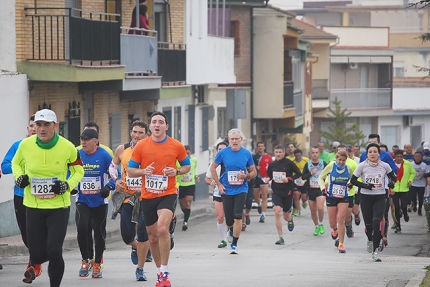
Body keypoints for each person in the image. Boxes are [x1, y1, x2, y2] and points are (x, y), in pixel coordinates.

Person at [12, 109, 84, 286]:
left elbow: (78, 170)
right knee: (36, 254)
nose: (42, 129)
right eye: (38, 125)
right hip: (33, 206)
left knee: (54, 250)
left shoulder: (68, 147)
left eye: (46, 125)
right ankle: (38, 261)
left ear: (56, 126)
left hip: (58, 207)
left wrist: (67, 185)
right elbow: (15, 163)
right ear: (34, 126)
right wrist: (19, 177)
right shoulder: (25, 145)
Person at [128, 111, 190, 286]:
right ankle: (158, 271)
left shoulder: (176, 145)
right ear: (150, 126)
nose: (157, 125)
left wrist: (176, 171)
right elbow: (131, 170)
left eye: (160, 122)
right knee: (152, 237)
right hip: (148, 195)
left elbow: (186, 166)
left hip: (168, 193)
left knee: (162, 229)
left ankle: (164, 270)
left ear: (166, 126)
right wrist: (143, 171)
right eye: (154, 122)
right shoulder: (141, 146)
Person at [1, 115, 43, 282]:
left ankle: (34, 265)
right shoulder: (18, 146)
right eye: (32, 125)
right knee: (26, 234)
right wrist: (20, 170)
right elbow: (4, 166)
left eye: (38, 125)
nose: (34, 128)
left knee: (35, 232)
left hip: (40, 197)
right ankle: (36, 259)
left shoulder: (47, 147)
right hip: (20, 195)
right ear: (28, 128)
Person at [109, 120, 151, 281]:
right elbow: (112, 167)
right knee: (127, 236)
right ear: (130, 132)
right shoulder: (122, 149)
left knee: (142, 232)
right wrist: (116, 180)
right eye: (134, 132)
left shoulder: (151, 149)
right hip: (127, 196)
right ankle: (138, 248)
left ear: (146, 135)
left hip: (146, 197)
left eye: (141, 133)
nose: (137, 135)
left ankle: (140, 269)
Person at [210, 128, 257, 254]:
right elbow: (213, 167)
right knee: (229, 220)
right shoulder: (223, 153)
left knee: (237, 216)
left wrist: (246, 176)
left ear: (241, 140)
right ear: (229, 140)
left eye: (237, 139)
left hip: (241, 188)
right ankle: (231, 230)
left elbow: (254, 172)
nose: (234, 141)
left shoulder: (246, 153)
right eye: (232, 139)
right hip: (226, 189)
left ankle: (234, 244)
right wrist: (219, 184)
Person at [75, 129, 115, 278]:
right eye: (82, 139)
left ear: (95, 141)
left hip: (100, 200)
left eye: (86, 139)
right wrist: (71, 186)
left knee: (98, 232)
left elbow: (115, 175)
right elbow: (69, 172)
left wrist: (109, 187)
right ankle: (86, 260)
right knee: (82, 227)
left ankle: (97, 262)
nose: (83, 142)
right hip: (82, 199)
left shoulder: (104, 155)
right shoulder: (77, 154)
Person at [351, 143, 396, 262]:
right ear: (367, 154)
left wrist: (392, 183)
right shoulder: (362, 166)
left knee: (377, 223)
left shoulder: (384, 166)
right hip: (365, 197)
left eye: (375, 152)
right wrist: (365, 185)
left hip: (380, 197)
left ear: (378, 154)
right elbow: (353, 180)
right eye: (370, 152)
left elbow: (393, 177)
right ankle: (370, 240)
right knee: (369, 226)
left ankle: (375, 251)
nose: (372, 154)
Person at [318, 150, 354, 253]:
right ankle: (334, 230)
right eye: (339, 160)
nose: (341, 162)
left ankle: (341, 244)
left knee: (341, 219)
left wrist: (351, 184)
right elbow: (320, 177)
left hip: (344, 196)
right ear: (336, 159)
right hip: (331, 196)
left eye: (343, 160)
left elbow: (352, 179)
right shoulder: (331, 166)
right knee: (333, 223)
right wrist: (322, 189)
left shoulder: (349, 168)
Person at [266, 145, 302, 244]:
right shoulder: (272, 164)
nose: (278, 154)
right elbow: (269, 175)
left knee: (286, 216)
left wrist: (289, 178)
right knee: (277, 211)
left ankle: (290, 219)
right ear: (274, 153)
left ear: (283, 153)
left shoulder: (289, 163)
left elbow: (298, 173)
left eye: (280, 152)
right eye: (276, 152)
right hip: (276, 191)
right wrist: (268, 179)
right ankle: (280, 237)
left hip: (287, 191)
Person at [205, 141, 229, 248]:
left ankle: (231, 232)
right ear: (217, 151)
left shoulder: (231, 163)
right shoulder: (214, 164)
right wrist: (211, 182)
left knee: (230, 217)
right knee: (220, 217)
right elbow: (207, 178)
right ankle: (223, 239)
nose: (222, 151)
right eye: (220, 149)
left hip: (231, 192)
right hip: (218, 193)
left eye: (224, 149)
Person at [302, 146, 327, 236]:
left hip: (320, 189)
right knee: (313, 211)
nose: (315, 154)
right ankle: (316, 226)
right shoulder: (307, 164)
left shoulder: (323, 163)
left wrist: (326, 179)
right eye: (313, 152)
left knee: (320, 207)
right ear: (310, 154)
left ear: (319, 153)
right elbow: (303, 176)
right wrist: (310, 174)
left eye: (316, 152)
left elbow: (330, 173)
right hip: (310, 189)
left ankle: (321, 224)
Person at [392, 149, 416, 234]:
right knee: (396, 208)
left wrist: (410, 180)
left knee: (403, 206)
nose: (399, 158)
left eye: (401, 157)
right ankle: (398, 226)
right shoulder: (391, 164)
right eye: (397, 157)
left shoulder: (407, 164)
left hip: (404, 188)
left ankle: (405, 214)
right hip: (394, 189)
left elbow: (413, 173)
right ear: (394, 156)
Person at [177, 145, 199, 230]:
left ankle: (185, 222)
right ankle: (187, 213)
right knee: (182, 205)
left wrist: (196, 176)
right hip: (181, 184)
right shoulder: (178, 161)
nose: (187, 155)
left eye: (188, 153)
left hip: (190, 184)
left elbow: (194, 169)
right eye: (185, 154)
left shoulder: (194, 160)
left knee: (188, 202)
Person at [252, 142, 272, 223]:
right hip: (256, 178)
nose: (260, 148)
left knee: (264, 196)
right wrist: (255, 168)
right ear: (257, 148)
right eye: (259, 146)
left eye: (262, 146)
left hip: (264, 178)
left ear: (264, 147)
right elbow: (249, 166)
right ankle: (259, 205)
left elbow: (271, 167)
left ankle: (263, 215)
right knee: (256, 197)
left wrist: (269, 177)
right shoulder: (253, 157)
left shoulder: (268, 157)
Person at [291, 149, 309, 216]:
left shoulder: (306, 160)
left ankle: (304, 201)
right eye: (296, 156)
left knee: (304, 197)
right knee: (296, 195)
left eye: (299, 156)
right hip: (296, 181)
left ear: (301, 155)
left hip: (304, 181)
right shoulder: (292, 161)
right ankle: (298, 210)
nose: (298, 157)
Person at [410, 151, 428, 216]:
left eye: (418, 156)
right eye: (416, 156)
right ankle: (414, 205)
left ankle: (419, 210)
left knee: (420, 198)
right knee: (413, 197)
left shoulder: (424, 165)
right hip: (413, 184)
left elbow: (428, 174)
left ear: (421, 157)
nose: (417, 158)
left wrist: (423, 175)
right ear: (414, 157)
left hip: (421, 184)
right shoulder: (411, 164)